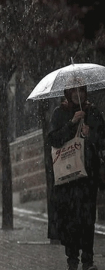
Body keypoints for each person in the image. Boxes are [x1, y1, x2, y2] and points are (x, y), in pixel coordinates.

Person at [47, 85, 105, 270]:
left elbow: (103, 139)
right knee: (71, 218)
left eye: (81, 91)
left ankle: (88, 261)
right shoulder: (60, 113)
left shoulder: (92, 112)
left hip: (88, 175)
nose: (77, 94)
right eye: (73, 91)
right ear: (68, 93)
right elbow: (54, 140)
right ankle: (72, 260)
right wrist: (72, 123)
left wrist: (91, 135)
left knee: (87, 218)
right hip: (68, 177)